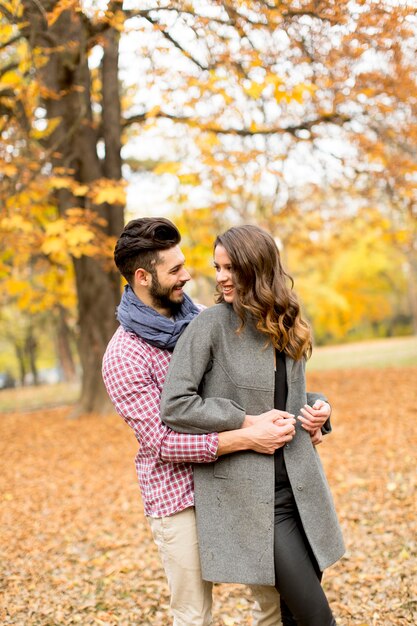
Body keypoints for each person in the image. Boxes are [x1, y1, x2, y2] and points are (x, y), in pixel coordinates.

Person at [103, 217, 324, 626]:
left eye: (185, 264)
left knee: (272, 603)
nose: (189, 275)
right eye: (174, 270)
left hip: (241, 484)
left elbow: (260, 392)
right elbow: (164, 441)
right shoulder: (124, 356)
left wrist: (308, 413)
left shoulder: (213, 318)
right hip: (178, 498)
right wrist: (248, 434)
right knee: (195, 616)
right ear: (142, 277)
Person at [160, 224, 345, 626]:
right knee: (318, 617)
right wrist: (242, 421)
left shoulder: (288, 319)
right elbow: (175, 405)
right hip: (255, 502)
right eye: (218, 267)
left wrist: (320, 410)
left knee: (293, 615)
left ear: (259, 269)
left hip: (303, 489)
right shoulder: (209, 326)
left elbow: (290, 397)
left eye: (232, 268)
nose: (221, 277)